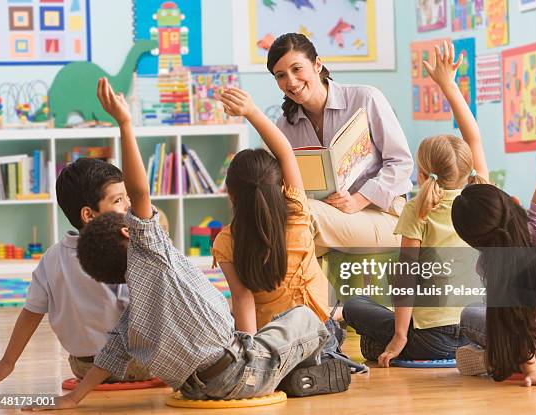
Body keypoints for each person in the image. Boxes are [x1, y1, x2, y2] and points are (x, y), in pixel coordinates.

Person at [24, 78, 350, 410]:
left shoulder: (133, 314)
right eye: (125, 214)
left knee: (269, 337)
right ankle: (315, 366)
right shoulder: (155, 255)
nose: (131, 213)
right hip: (240, 371)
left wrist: (75, 397)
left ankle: (289, 367)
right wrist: (124, 123)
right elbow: (139, 192)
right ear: (128, 233)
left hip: (197, 389)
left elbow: (108, 357)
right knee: (304, 319)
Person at [343, 41, 486, 366]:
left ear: (421, 174)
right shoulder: (482, 197)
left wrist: (399, 337)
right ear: (468, 168)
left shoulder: (417, 208)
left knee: (354, 305)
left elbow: (405, 278)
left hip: (429, 341)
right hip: (476, 331)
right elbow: (473, 137)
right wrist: (449, 86)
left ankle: (385, 343)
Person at [212, 87, 365, 372]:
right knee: (344, 315)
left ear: (231, 195)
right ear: (282, 187)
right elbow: (286, 153)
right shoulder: (297, 213)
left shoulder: (225, 241)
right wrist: (251, 111)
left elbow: (242, 300)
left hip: (272, 346)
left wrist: (251, 359)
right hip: (320, 335)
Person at [452, 56, 536, 387]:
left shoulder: (494, 266)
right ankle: (495, 357)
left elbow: (515, 322)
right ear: (512, 203)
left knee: (470, 316)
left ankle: (491, 358)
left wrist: (532, 371)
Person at [0, 158, 151, 393]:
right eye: (118, 200)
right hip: (131, 365)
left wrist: (8, 361)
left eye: (127, 197)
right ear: (89, 215)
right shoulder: (125, 252)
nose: (129, 206)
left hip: (83, 367)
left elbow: (31, 313)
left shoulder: (51, 257)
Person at [267, 33, 414, 256]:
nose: (291, 81)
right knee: (278, 228)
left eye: (297, 69)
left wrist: (358, 200)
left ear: (317, 64)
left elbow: (401, 163)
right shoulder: (285, 126)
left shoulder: (366, 99)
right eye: (281, 75)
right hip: (325, 218)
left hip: (386, 217)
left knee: (300, 219)